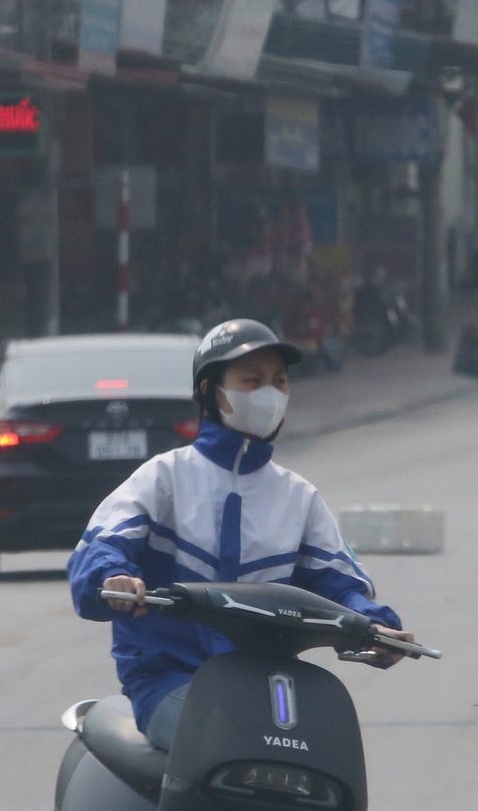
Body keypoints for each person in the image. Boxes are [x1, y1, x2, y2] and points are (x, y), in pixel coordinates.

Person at [67, 319, 413, 749]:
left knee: (326, 754)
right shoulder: (163, 478)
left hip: (271, 688)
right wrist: (113, 578)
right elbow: (100, 550)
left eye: (279, 381)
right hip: (169, 683)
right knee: (222, 745)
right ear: (210, 391)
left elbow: (342, 587)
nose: (269, 393)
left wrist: (375, 626)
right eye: (251, 381)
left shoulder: (298, 497)